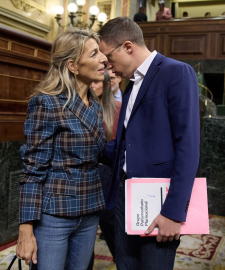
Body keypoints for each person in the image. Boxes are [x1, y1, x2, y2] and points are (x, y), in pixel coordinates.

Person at [98, 17, 200, 270]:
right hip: (124, 196)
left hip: (159, 202)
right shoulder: (132, 83)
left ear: (128, 47)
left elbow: (187, 146)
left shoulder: (176, 72)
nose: (110, 68)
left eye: (110, 58)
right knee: (125, 265)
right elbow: (128, 144)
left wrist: (174, 212)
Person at [16, 29, 108, 270]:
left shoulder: (95, 104)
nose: (104, 58)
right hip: (54, 213)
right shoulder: (46, 102)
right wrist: (26, 230)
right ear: (72, 65)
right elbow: (32, 169)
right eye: (95, 53)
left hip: (89, 209)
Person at [90, 69, 122, 264]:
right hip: (86, 176)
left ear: (108, 84)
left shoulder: (118, 108)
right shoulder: (84, 108)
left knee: (112, 228)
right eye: (90, 82)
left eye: (97, 82)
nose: (92, 85)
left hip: (109, 177)